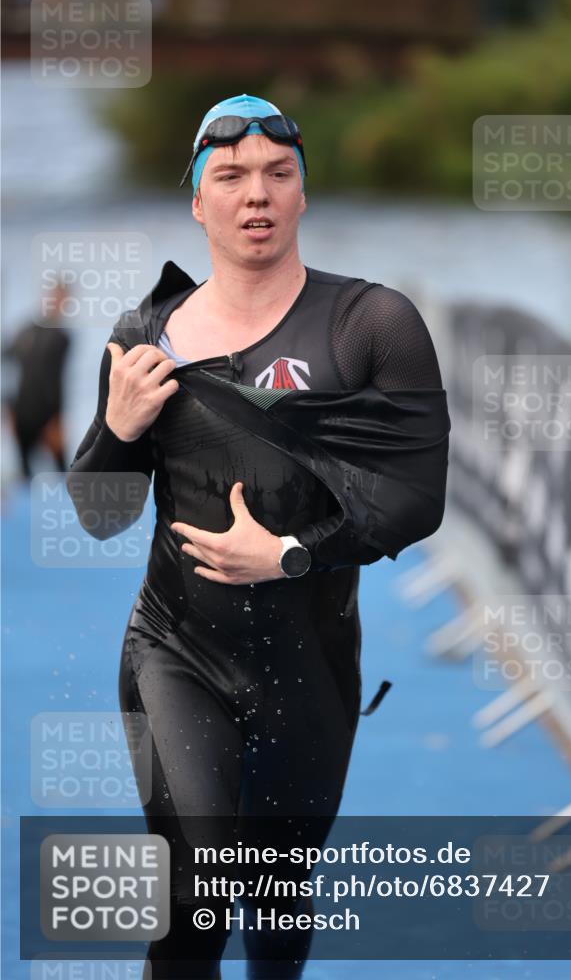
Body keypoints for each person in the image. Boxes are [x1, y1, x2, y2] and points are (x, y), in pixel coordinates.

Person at [66, 94, 449, 979]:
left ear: (303, 194)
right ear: (197, 202)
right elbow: (98, 512)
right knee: (196, 890)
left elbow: (416, 499)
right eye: (230, 176)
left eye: (279, 174)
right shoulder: (143, 338)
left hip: (309, 659)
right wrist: (119, 428)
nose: (257, 194)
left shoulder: (371, 325)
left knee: (276, 907)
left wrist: (288, 555)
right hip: (175, 650)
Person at [3, 280, 70, 480]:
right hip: (22, 414)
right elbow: (6, 365)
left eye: (61, 299)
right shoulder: (25, 333)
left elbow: (57, 381)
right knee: (24, 476)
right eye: (54, 297)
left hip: (48, 417)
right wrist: (8, 409)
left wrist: (57, 419)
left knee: (63, 476)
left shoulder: (62, 337)